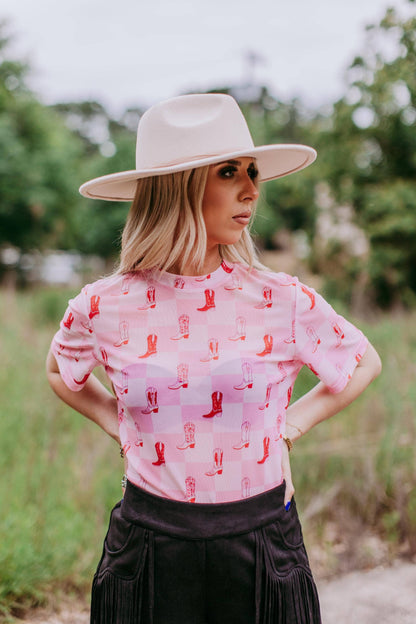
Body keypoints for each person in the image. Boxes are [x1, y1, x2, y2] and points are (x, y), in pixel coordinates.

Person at [46, 93, 381, 624]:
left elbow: (362, 361)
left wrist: (288, 427)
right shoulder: (102, 305)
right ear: (177, 188)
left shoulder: (281, 298)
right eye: (230, 172)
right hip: (150, 548)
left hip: (262, 541)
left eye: (253, 171)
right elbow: (60, 372)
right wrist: (123, 425)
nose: (252, 190)